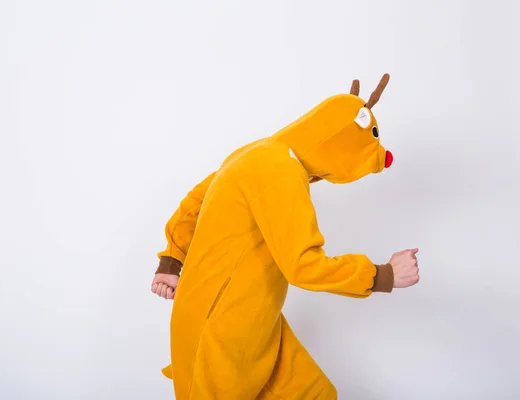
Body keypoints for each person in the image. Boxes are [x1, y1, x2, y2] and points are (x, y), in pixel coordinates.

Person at [151, 74, 420, 399]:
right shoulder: (280, 169)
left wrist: (170, 260)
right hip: (219, 335)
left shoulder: (258, 152)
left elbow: (194, 204)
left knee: (317, 394)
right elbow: (303, 265)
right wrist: (384, 275)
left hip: (260, 330)